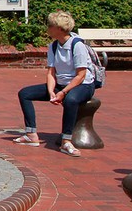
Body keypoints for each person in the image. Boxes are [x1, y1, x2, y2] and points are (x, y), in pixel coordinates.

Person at [13, 11, 95, 157]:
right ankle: (31, 134)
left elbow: (81, 75)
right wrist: (51, 91)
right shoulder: (53, 46)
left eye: (50, 26)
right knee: (25, 93)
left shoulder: (77, 45)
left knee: (70, 100)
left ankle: (66, 141)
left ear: (59, 29)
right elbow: (51, 72)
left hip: (82, 85)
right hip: (61, 84)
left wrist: (63, 92)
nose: (47, 28)